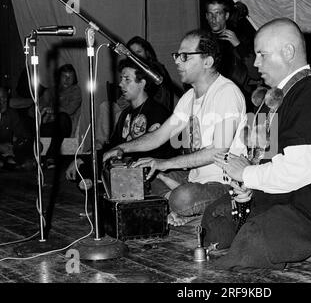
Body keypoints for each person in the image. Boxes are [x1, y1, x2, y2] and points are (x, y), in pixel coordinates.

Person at [201, 18, 311, 270]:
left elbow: (300, 171)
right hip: (284, 198)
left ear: (288, 52)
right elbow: (267, 161)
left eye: (261, 55)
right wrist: (246, 190)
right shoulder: (278, 96)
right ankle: (304, 251)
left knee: (252, 243)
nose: (255, 64)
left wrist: (246, 173)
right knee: (216, 221)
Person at [103, 29, 247, 226]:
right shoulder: (189, 97)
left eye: (185, 56)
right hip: (194, 179)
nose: (178, 61)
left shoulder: (227, 93)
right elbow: (160, 135)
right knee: (141, 176)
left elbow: (218, 150)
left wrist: (165, 164)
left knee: (183, 198)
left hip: (223, 184)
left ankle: (187, 208)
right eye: (177, 55)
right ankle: (186, 209)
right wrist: (122, 148)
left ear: (208, 61)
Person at [65, 59, 174, 191]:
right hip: (122, 167)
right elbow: (112, 146)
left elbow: (156, 152)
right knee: (82, 168)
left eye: (127, 79)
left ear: (142, 83)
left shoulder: (157, 112)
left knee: (102, 173)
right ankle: (97, 188)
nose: (121, 84)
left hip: (145, 173)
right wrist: (82, 159)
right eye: (121, 79)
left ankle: (100, 188)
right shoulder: (125, 114)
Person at [205, 0, 262, 112]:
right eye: (210, 14)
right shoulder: (203, 41)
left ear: (226, 16)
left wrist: (238, 45)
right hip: (212, 103)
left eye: (218, 13)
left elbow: (256, 74)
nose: (213, 18)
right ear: (206, 16)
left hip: (241, 102)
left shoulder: (242, 39)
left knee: (265, 124)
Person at [126, 36, 183, 111]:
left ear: (147, 52)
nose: (136, 56)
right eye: (132, 53)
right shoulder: (131, 69)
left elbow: (154, 96)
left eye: (139, 52)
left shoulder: (155, 69)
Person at [0, 87, 34, 170]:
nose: (2, 101)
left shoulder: (11, 114)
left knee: (35, 146)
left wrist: (14, 147)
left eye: (4, 97)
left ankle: (12, 162)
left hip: (10, 150)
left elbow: (24, 135)